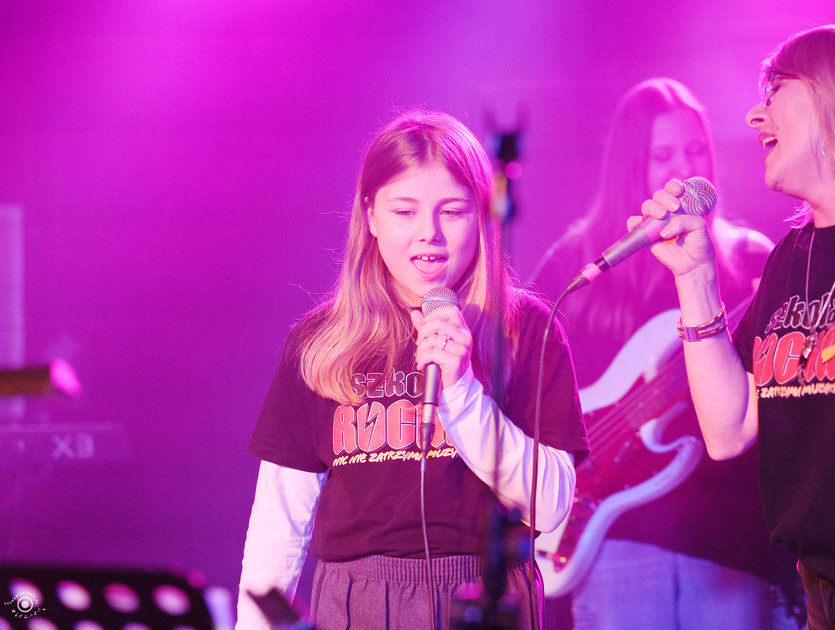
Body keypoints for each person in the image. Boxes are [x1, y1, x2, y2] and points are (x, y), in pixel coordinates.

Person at [637, 25, 835, 629]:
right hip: (828, 602)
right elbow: (729, 429)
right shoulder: (791, 256)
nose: (755, 116)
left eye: (776, 89)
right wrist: (695, 280)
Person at [236, 109, 589, 630]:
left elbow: (550, 505)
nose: (430, 234)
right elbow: (279, 522)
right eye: (405, 211)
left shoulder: (525, 329)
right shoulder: (321, 342)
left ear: (483, 216)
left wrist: (462, 392)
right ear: (371, 217)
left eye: (453, 211)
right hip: (357, 600)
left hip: (486, 592)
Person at [530, 78, 802, 629]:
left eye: (696, 149)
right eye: (663, 155)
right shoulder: (576, 264)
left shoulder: (753, 260)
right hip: (616, 539)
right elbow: (530, 392)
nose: (684, 166)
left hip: (730, 537)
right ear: (630, 167)